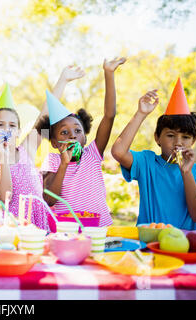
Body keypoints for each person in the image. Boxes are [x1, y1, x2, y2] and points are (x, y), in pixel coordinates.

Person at [0, 65, 85, 231]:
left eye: (12, 125)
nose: (7, 129)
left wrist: (63, 80)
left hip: (40, 222)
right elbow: (5, 195)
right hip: (14, 227)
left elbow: (45, 115)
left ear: (18, 132)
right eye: (0, 125)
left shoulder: (26, 150)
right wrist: (4, 159)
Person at [111, 78, 196, 230]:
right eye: (170, 135)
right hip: (147, 243)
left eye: (185, 137)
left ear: (193, 141)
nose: (178, 142)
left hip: (182, 246)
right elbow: (118, 152)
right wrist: (141, 113)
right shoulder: (147, 162)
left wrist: (186, 172)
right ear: (157, 138)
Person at [39, 58, 126, 227]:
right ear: (55, 143)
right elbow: (49, 199)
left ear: (85, 138)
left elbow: (109, 115)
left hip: (100, 229)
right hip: (68, 232)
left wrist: (109, 74)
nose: (72, 135)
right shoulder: (52, 160)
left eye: (77, 131)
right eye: (64, 132)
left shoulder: (93, 153)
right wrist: (64, 164)